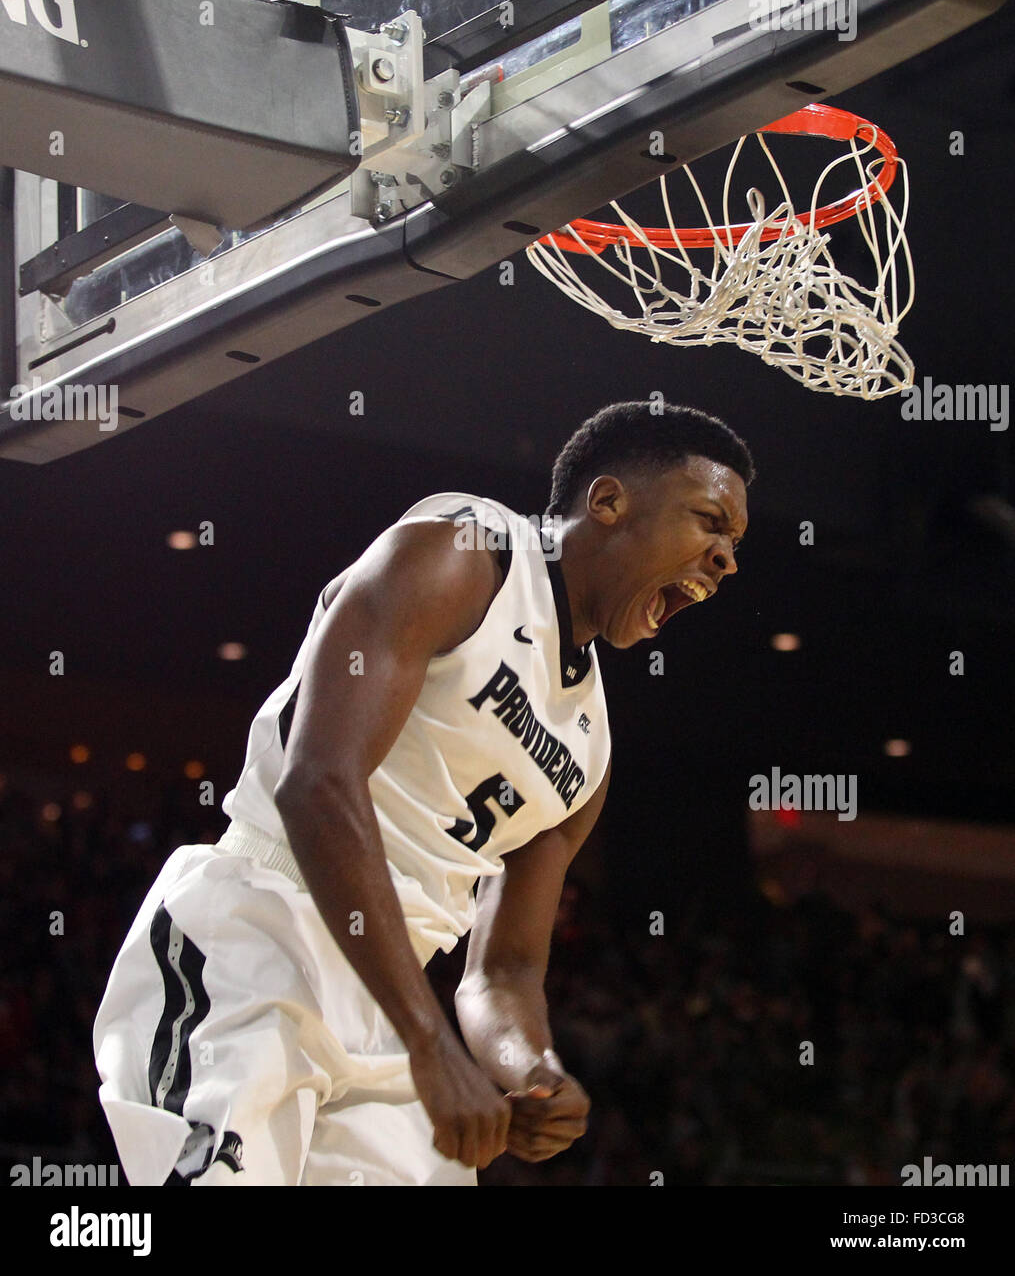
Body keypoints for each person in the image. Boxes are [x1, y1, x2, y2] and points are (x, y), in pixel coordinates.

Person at [93, 399, 753, 1186]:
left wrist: (532, 1068)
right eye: (709, 521)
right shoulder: (463, 555)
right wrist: (431, 1043)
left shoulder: (589, 751)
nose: (726, 559)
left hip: (394, 1002)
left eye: (735, 544)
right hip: (261, 932)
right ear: (607, 502)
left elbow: (503, 972)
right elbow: (318, 782)